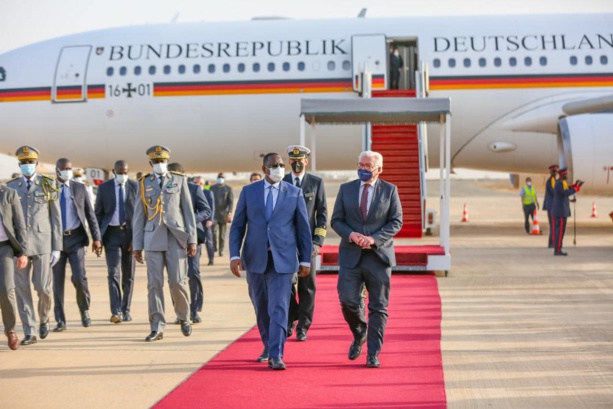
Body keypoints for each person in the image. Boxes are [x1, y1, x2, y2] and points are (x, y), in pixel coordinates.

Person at [229, 152, 311, 370]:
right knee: (261, 306)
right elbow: (238, 226)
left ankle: (276, 353)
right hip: (255, 258)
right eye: (274, 165)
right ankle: (268, 344)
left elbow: (303, 230)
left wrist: (305, 260)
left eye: (281, 165)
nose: (279, 169)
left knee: (279, 307)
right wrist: (234, 255)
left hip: (282, 260)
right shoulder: (249, 192)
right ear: (264, 169)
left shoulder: (294, 193)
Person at [331, 150, 403, 368]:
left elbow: (396, 221)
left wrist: (373, 239)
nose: (362, 169)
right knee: (347, 300)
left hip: (378, 257)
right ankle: (360, 330)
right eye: (360, 165)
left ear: (378, 169)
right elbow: (337, 220)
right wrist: (351, 235)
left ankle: (373, 354)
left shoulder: (390, 191)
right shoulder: (346, 189)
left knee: (379, 307)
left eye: (367, 166)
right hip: (351, 255)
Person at [132, 146, 197, 342]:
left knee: (178, 282)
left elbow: (188, 212)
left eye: (163, 161)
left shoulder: (179, 180)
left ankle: (184, 317)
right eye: (156, 162)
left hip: (176, 238)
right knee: (154, 285)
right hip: (152, 239)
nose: (160, 164)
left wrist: (191, 239)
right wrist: (137, 245)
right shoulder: (144, 183)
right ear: (151, 164)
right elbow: (138, 216)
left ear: (167, 162)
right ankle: (157, 326)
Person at [7, 146, 62, 345]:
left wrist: (57, 247)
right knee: (22, 289)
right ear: (20, 165)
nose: (27, 166)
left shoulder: (48, 184)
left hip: (43, 244)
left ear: (36, 165)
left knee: (43, 288)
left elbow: (56, 218)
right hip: (20, 246)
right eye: (24, 163)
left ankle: (44, 318)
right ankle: (29, 330)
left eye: (31, 163)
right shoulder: (12, 186)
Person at [283, 145, 327, 341]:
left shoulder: (316, 183)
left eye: (300, 160)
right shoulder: (281, 182)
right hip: (285, 244)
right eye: (293, 160)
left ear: (306, 161)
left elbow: (322, 215)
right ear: (289, 162)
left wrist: (317, 241)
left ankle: (304, 325)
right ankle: (291, 318)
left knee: (307, 286)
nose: (297, 163)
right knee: (286, 284)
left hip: (308, 244)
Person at [53, 158, 102, 331]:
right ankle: (60, 320)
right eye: (63, 168)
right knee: (57, 282)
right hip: (56, 242)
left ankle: (84, 310)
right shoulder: (49, 189)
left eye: (69, 168)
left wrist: (97, 238)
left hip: (76, 239)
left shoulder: (79, 188)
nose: (66, 171)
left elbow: (90, 214)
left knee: (79, 277)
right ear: (57, 170)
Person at [94, 160, 138, 323]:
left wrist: (137, 239)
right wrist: (97, 237)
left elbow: (140, 216)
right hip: (111, 235)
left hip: (130, 235)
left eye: (125, 172)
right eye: (120, 172)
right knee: (113, 273)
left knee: (129, 276)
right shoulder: (104, 188)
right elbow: (97, 213)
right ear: (114, 171)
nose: (123, 175)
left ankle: (126, 309)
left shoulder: (135, 187)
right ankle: (116, 310)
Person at [167, 163, 211, 324]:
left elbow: (206, 210)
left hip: (191, 237)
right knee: (175, 276)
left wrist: (189, 220)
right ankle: (181, 312)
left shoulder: (194, 189)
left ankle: (194, 309)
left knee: (193, 273)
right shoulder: (165, 189)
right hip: (172, 238)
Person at [0, 183, 29, 351]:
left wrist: (23, 252)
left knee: (6, 288)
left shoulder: (8, 193)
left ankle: (10, 330)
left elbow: (20, 223)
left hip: (5, 248)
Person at [551, 168, 583, 256]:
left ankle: (558, 249)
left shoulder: (561, 183)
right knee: (560, 231)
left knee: (560, 231)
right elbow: (566, 192)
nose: (567, 176)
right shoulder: (559, 183)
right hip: (560, 212)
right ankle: (557, 250)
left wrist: (575, 185)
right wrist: (576, 189)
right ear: (561, 175)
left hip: (561, 211)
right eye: (565, 174)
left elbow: (567, 189)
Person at [210, 172, 234, 257]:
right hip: (214, 214)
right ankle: (214, 247)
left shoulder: (228, 189)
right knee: (213, 232)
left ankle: (221, 250)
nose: (220, 178)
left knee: (222, 235)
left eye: (222, 177)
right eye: (219, 177)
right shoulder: (212, 188)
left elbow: (230, 203)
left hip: (224, 215)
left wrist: (229, 213)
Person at [194, 176, 215, 266]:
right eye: (195, 183)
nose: (197, 185)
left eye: (199, 183)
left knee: (208, 241)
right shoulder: (191, 192)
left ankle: (211, 259)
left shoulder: (208, 192)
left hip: (206, 221)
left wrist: (210, 219)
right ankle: (197, 259)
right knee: (197, 241)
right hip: (196, 221)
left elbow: (212, 207)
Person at [542, 164, 558, 248]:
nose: (555, 173)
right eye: (554, 172)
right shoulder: (552, 180)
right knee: (553, 225)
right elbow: (554, 192)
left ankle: (552, 242)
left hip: (552, 206)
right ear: (551, 172)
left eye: (556, 172)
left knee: (553, 225)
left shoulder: (553, 180)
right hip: (552, 206)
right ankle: (552, 243)